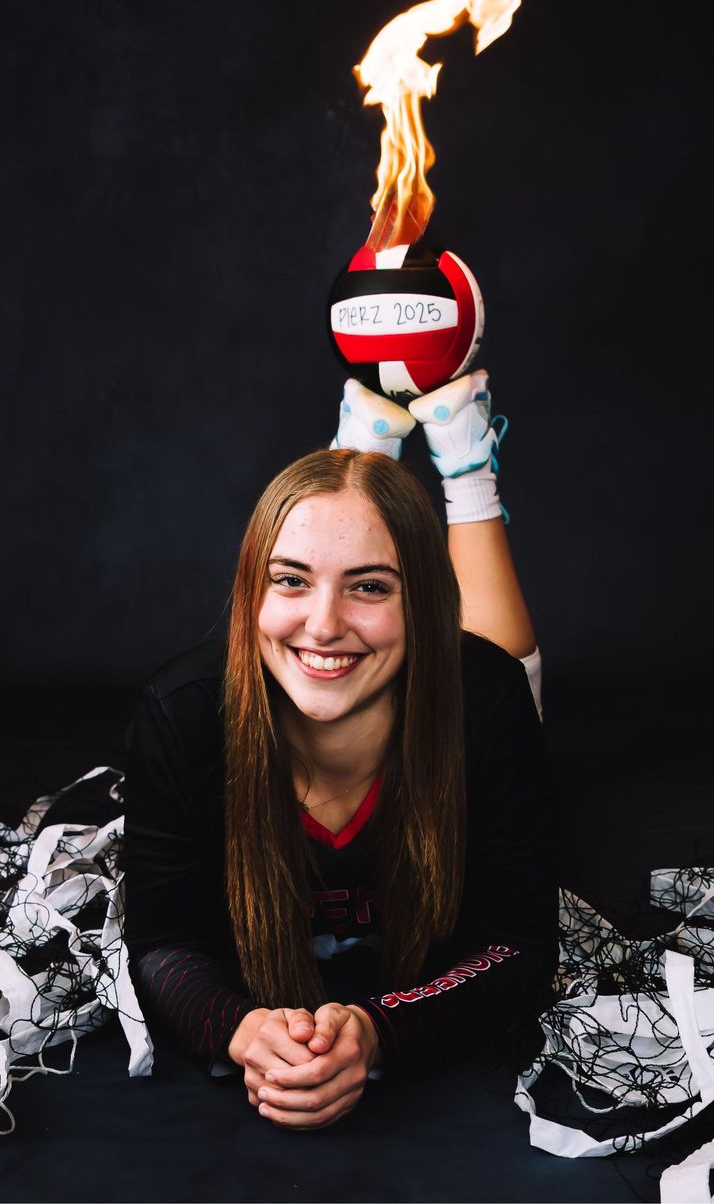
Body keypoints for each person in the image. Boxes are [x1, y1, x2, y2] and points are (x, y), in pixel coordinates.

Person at [122, 369, 553, 1130]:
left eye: (371, 587)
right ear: (251, 591)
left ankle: (466, 465)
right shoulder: (181, 713)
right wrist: (241, 1029)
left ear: (421, 602)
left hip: (458, 686)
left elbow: (520, 942)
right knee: (344, 544)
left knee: (507, 663)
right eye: (289, 580)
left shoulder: (486, 700)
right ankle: (364, 461)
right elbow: (163, 941)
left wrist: (379, 1030)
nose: (322, 624)